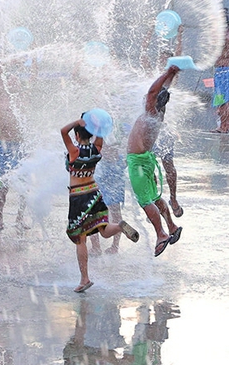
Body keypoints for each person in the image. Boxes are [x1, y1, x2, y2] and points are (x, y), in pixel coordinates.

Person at [59, 117, 139, 293]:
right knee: (103, 230)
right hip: (95, 194)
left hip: (78, 198)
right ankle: (119, 226)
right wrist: (96, 126)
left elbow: (63, 131)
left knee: (80, 239)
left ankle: (84, 279)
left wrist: (76, 122)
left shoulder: (74, 152)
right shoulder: (97, 150)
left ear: (77, 135)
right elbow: (100, 135)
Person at [127, 66, 183, 258]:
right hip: (147, 160)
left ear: (153, 100)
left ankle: (161, 234)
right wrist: (171, 77)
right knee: (154, 197)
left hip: (139, 162)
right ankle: (172, 225)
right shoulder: (159, 112)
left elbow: (153, 92)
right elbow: (159, 92)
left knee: (145, 201)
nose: (145, 97)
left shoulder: (151, 111)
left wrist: (168, 73)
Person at [142, 24, 184, 217]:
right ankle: (156, 199)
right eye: (161, 58)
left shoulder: (168, 80)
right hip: (150, 130)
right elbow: (143, 55)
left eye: (166, 60)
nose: (162, 61)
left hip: (162, 129)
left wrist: (180, 35)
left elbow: (179, 56)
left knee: (169, 165)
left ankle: (173, 197)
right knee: (150, 168)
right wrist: (149, 32)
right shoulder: (151, 76)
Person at [0, 73, 28, 232]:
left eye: (16, 81)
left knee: (24, 185)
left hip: (20, 146)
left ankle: (20, 218)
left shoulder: (22, 100)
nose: (14, 83)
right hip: (4, 146)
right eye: (11, 81)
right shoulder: (1, 99)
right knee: (2, 185)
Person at [213, 25, 229, 133]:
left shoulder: (225, 36)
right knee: (221, 99)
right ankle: (223, 125)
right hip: (220, 71)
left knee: (225, 99)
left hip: (225, 70)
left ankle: (224, 126)